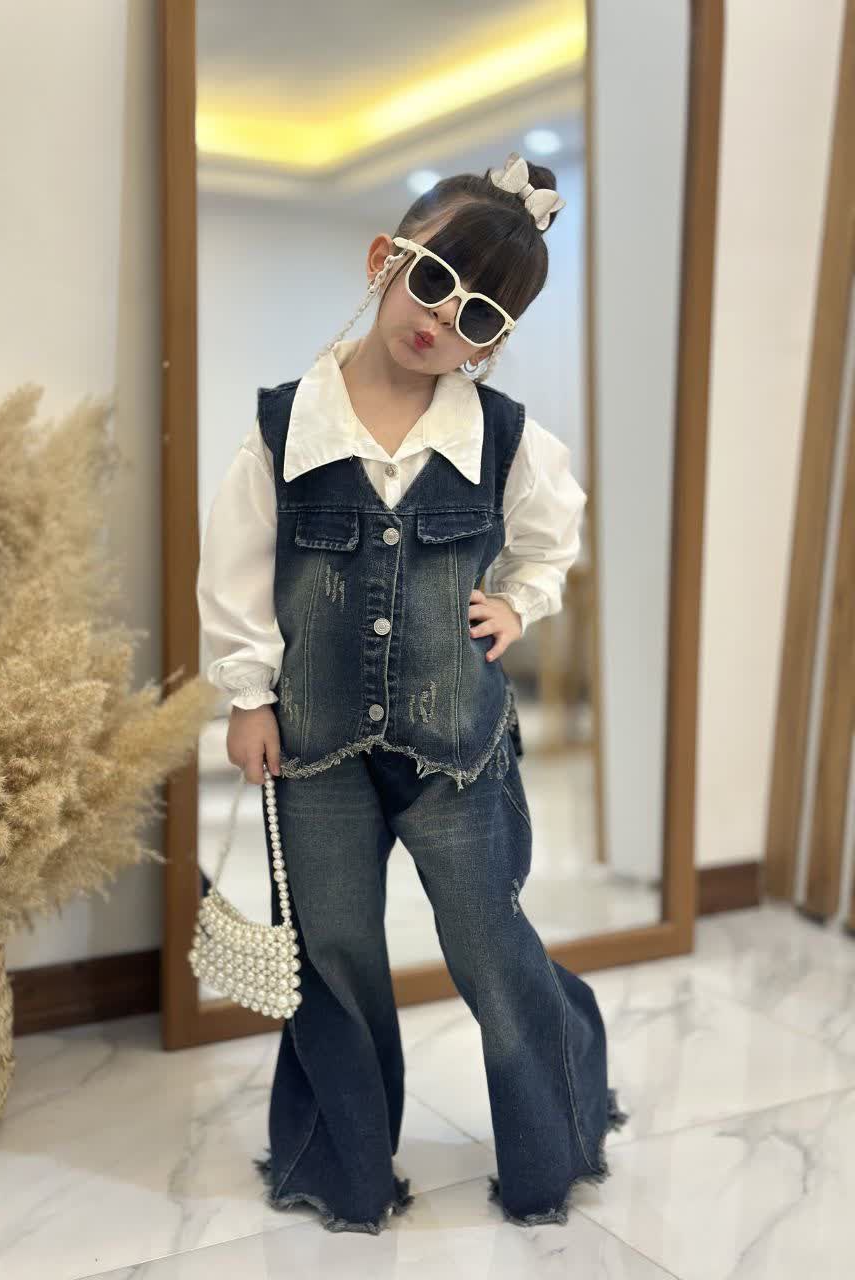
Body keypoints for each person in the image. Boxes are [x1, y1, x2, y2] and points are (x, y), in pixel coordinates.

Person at [196, 150, 629, 1235]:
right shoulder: (285, 427)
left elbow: (553, 536)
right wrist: (247, 696)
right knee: (335, 952)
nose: (441, 319)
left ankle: (554, 1135)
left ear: (493, 340)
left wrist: (519, 602)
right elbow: (236, 572)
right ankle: (341, 1165)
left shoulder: (505, 439)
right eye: (432, 281)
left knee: (489, 944)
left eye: (477, 313)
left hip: (458, 746)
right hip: (316, 745)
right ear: (384, 261)